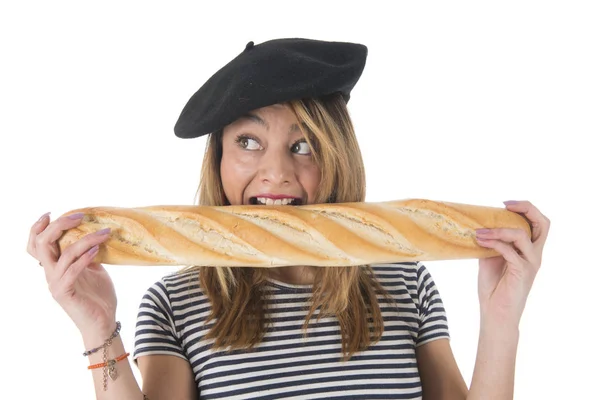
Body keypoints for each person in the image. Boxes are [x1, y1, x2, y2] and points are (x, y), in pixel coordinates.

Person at [27, 38, 550, 399]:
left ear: (338, 156)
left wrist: (501, 318)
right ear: (219, 159)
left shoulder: (403, 280)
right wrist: (98, 330)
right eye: (248, 142)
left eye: (304, 145)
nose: (274, 173)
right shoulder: (176, 304)